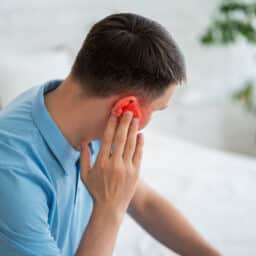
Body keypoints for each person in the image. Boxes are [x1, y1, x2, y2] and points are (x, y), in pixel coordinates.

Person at [0, 13, 221, 256]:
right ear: (126, 107)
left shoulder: (74, 109)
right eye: (157, 110)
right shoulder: (13, 175)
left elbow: (144, 202)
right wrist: (110, 208)